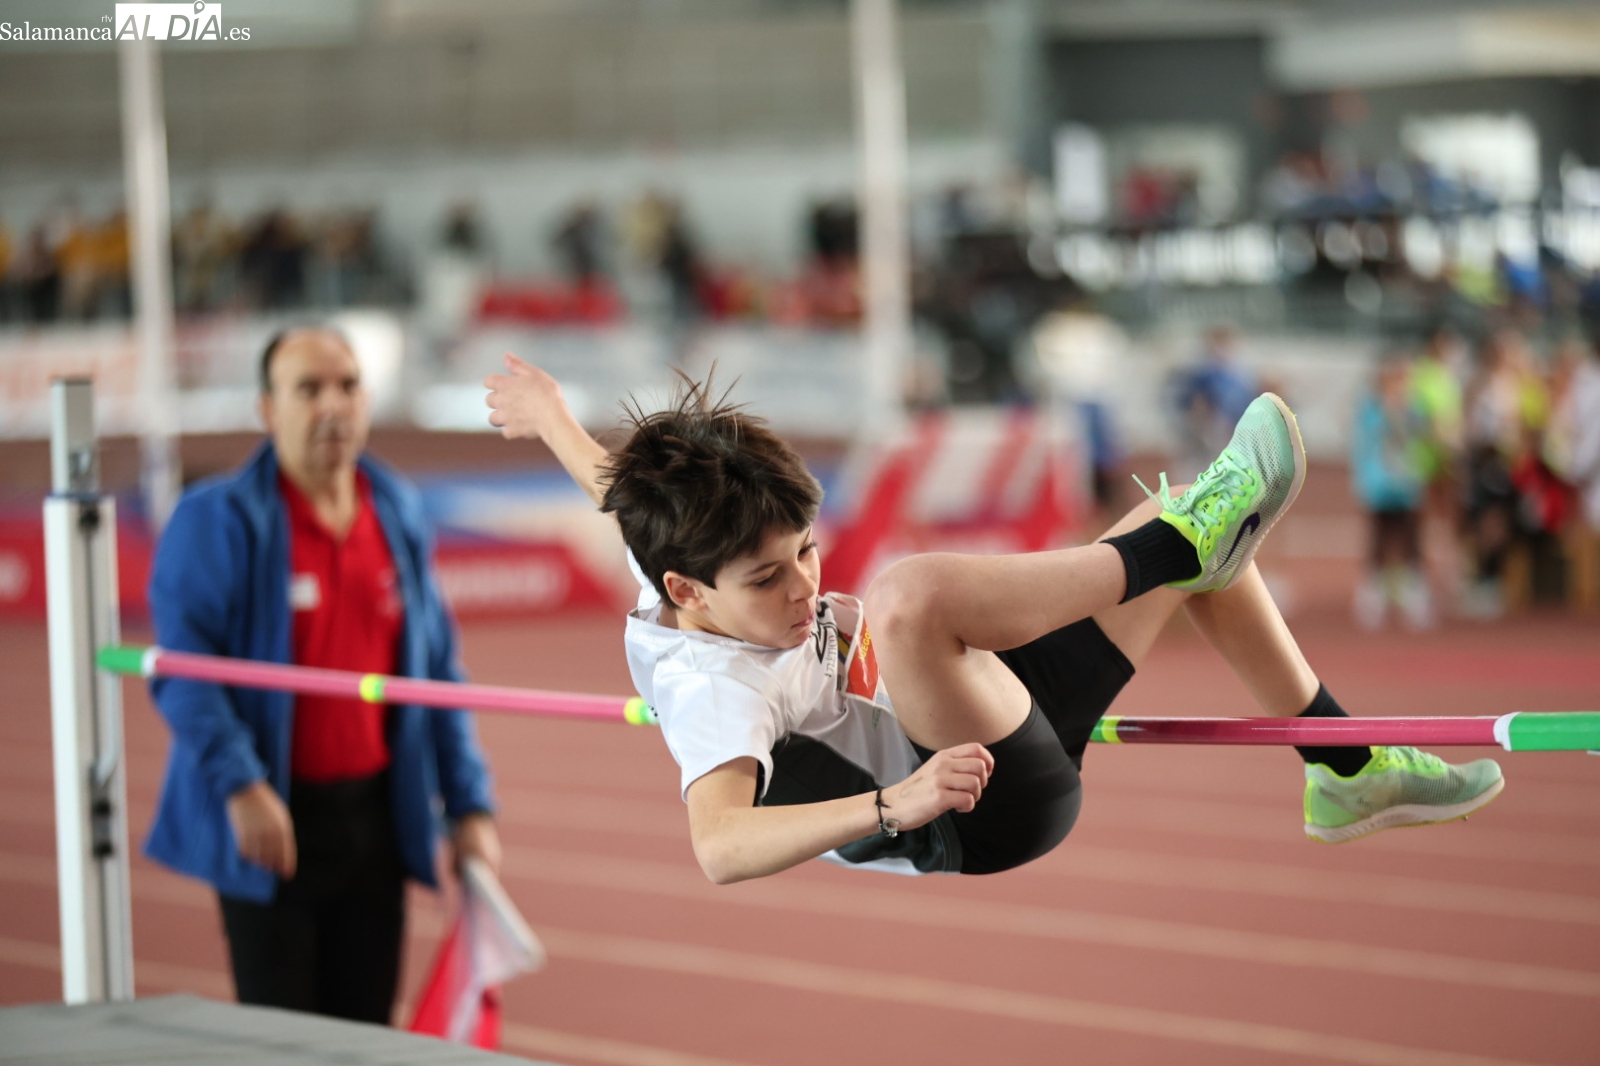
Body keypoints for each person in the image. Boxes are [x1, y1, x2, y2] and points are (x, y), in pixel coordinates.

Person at [484, 353, 1503, 882]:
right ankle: (1180, 544)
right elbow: (718, 846)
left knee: (1201, 534)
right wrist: (897, 805)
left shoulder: (674, 554)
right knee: (906, 596)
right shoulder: (713, 690)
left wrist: (548, 417)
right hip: (969, 809)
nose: (803, 589)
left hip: (984, 708)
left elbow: (617, 490)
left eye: (806, 552)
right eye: (767, 580)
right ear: (688, 593)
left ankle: (1344, 767)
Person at [146, 327, 500, 1022]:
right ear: (267, 409)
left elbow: (437, 675)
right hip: (275, 819)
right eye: (308, 389)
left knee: (366, 1038)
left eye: (347, 386)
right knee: (285, 1044)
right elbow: (184, 672)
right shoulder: (215, 521)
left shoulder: (396, 510)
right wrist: (242, 784)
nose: (333, 405)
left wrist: (470, 807)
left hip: (375, 823)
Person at [1350, 354, 1434, 630]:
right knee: (1379, 541)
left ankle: (1414, 598)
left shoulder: (1414, 409)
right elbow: (1364, 443)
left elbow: (1424, 436)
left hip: (1407, 484)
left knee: (1411, 540)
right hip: (1379, 485)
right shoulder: (1371, 409)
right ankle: (1372, 599)